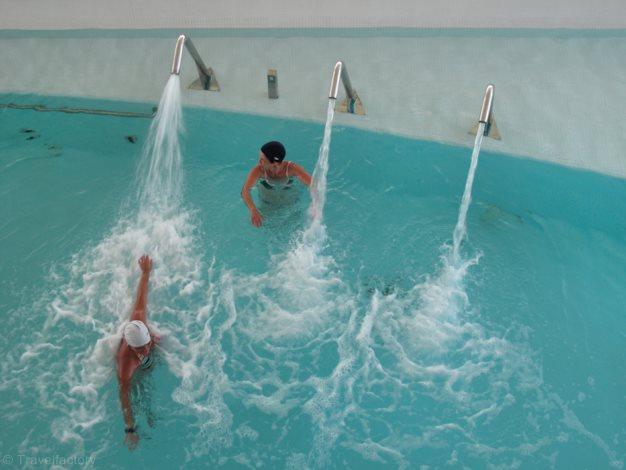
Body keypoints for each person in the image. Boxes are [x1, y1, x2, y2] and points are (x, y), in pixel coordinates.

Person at [116, 254, 159, 450]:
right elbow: (124, 398)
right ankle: (147, 414)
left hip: (142, 353)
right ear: (132, 347)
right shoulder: (125, 367)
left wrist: (145, 272)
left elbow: (141, 296)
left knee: (157, 344)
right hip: (135, 371)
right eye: (141, 348)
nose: (146, 349)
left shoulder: (139, 318)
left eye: (146, 343)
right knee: (140, 392)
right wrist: (129, 429)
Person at [241, 141, 312, 227]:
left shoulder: (292, 169)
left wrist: (315, 206)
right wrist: (253, 210)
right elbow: (245, 190)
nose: (259, 162)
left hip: (291, 208)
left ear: (275, 163)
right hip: (267, 207)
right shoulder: (258, 170)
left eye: (262, 160)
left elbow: (314, 186)